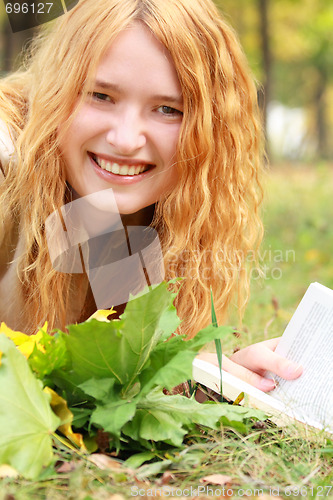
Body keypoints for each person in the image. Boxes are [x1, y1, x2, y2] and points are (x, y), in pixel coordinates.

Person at [0, 0, 302, 391]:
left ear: (209, 127)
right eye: (100, 95)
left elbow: (115, 370)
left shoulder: (155, 211)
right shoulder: (11, 147)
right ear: (60, 88)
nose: (125, 140)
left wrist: (194, 372)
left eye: (167, 109)